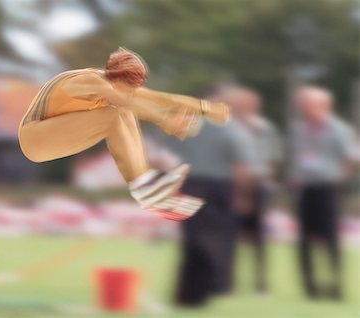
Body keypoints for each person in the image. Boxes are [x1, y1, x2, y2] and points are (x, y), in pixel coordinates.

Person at [18, 47, 231, 221]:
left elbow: (161, 99)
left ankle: (145, 183)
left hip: (54, 137)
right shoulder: (89, 81)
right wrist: (165, 120)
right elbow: (127, 100)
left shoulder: (117, 85)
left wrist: (206, 108)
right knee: (115, 112)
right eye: (129, 87)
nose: (131, 91)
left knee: (124, 111)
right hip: (34, 137)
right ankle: (144, 187)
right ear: (115, 78)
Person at [166, 87, 255, 306]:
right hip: (219, 187)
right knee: (219, 238)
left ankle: (188, 290)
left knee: (192, 238)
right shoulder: (232, 129)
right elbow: (242, 167)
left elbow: (169, 154)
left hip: (190, 183)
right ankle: (217, 284)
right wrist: (243, 197)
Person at [289, 85, 358, 300]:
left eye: (307, 103)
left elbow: (353, 157)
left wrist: (340, 178)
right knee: (304, 239)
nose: (303, 107)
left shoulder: (339, 129)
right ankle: (310, 286)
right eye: (302, 104)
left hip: (327, 188)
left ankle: (335, 283)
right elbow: (295, 155)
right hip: (304, 188)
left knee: (330, 237)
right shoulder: (298, 128)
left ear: (323, 105)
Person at [227, 87, 282, 293]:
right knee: (230, 235)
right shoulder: (227, 127)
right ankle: (229, 280)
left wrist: (254, 176)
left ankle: (260, 281)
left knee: (258, 236)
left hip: (257, 186)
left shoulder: (263, 129)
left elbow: (270, 161)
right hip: (232, 186)